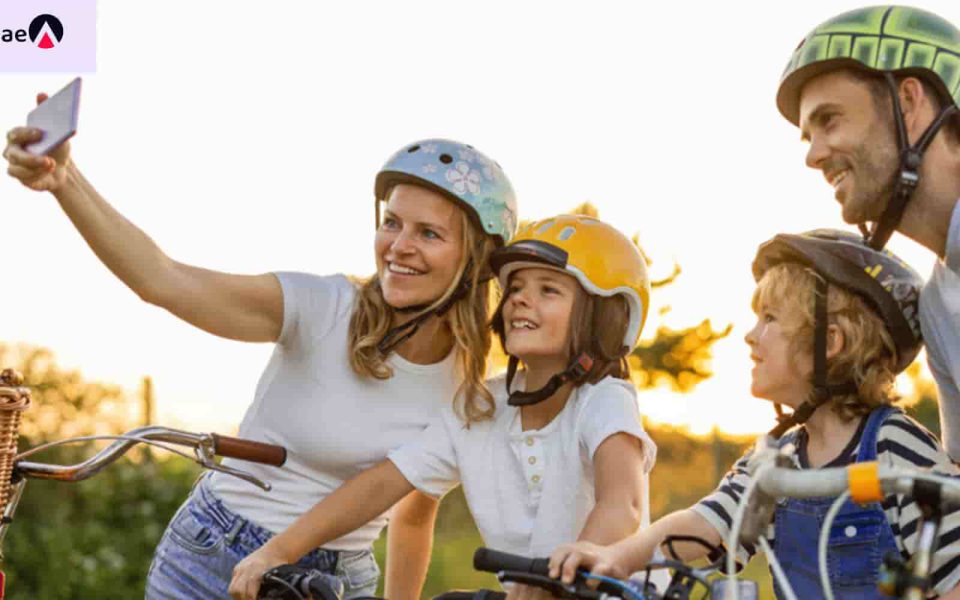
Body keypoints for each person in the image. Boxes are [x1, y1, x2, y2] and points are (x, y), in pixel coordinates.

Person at [3, 124, 517, 599]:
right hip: (217, 552)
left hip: (338, 580)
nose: (398, 247)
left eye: (429, 234)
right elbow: (161, 279)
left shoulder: (464, 385)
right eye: (392, 223)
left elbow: (412, 516)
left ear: (475, 258)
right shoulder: (323, 308)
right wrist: (65, 181)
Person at [227, 214, 659, 600]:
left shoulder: (604, 399)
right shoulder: (480, 407)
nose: (519, 300)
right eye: (514, 288)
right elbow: (384, 487)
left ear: (606, 319)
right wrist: (279, 550)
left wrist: (567, 576)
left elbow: (623, 505)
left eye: (548, 290)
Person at [549, 229, 960, 598]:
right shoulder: (775, 458)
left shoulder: (895, 445)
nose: (749, 335)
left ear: (830, 341)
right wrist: (616, 557)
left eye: (769, 318)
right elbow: (706, 524)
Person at [774, 5, 960, 459]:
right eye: (807, 135)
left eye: (829, 119)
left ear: (909, 103)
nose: (814, 156)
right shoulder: (938, 303)